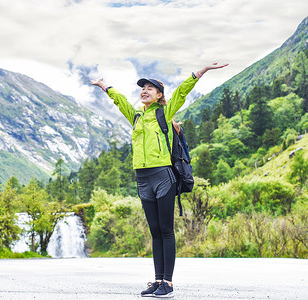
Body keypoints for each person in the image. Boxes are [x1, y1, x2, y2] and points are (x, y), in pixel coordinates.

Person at [90, 63, 228, 298]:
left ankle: (169, 283)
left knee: (166, 230)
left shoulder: (165, 112)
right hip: (142, 178)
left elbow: (182, 93)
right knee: (154, 231)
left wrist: (200, 72)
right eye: (142, 88)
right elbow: (119, 100)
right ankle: (157, 280)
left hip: (163, 176)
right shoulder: (135, 117)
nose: (144, 90)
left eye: (150, 88)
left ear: (159, 95)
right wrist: (104, 86)